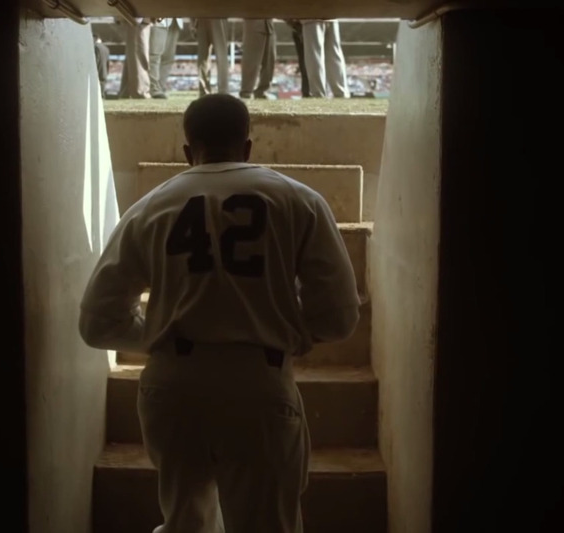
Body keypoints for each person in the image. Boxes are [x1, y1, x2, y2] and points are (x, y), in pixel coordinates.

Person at [78, 94, 360, 533]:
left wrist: (159, 335)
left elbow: (98, 321)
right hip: (259, 381)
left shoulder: (150, 207)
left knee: (184, 524)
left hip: (172, 384)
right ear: (248, 147)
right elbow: (339, 317)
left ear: (188, 151)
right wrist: (284, 328)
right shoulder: (298, 200)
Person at [302, 19, 349, 98]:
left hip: (311, 16)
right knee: (334, 53)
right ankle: (342, 93)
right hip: (332, 15)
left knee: (315, 54)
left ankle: (318, 94)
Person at [239, 19, 277, 99]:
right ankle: (246, 91)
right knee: (251, 61)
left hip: (269, 25)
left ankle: (262, 90)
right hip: (254, 23)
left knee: (269, 61)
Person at [148, 18, 185, 99]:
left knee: (168, 58)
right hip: (158, 20)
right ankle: (153, 88)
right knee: (154, 55)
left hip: (175, 20)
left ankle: (160, 87)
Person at [193, 18, 230, 96]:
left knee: (220, 55)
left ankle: (222, 90)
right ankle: (206, 90)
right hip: (201, 16)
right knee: (203, 57)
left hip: (217, 14)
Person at [117, 17, 150, 99]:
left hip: (135, 19)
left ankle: (126, 91)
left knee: (132, 54)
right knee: (139, 53)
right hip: (139, 18)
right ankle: (140, 91)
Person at [285, 20, 312, 97]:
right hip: (300, 27)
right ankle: (307, 91)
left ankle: (307, 91)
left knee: (306, 62)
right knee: (305, 62)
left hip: (302, 25)